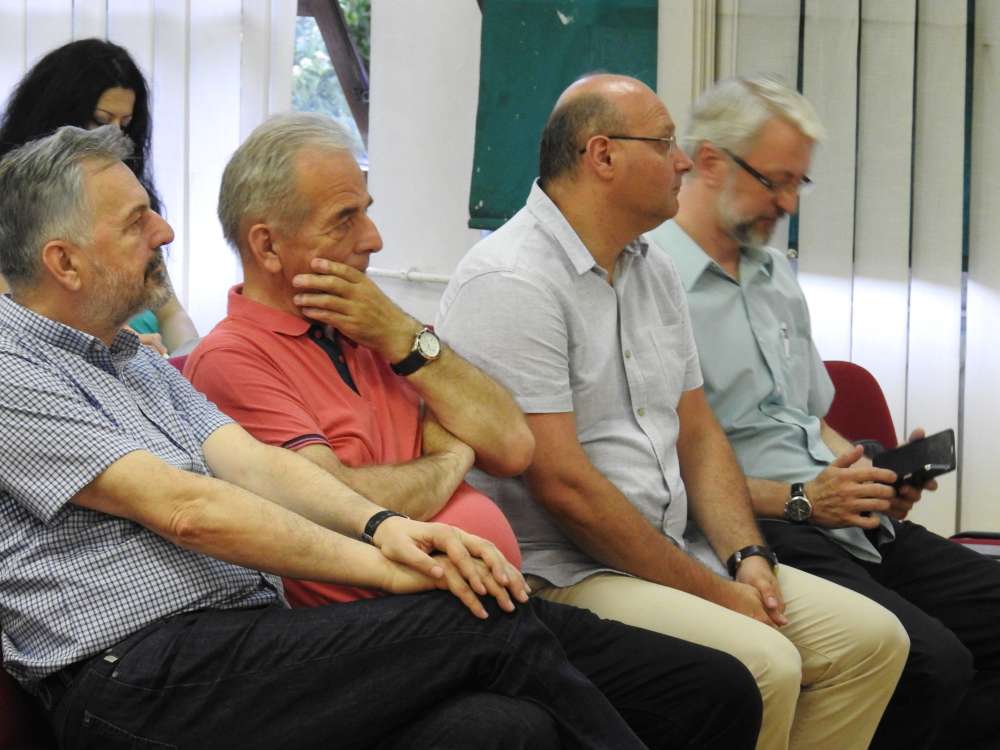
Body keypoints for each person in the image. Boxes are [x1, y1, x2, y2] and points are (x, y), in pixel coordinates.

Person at [0, 125, 764, 750]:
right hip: (135, 674)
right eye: (137, 221)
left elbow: (256, 466)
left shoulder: (131, 360)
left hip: (242, 638)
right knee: (471, 617)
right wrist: (396, 567)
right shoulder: (11, 366)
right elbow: (188, 509)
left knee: (508, 727)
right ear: (63, 261)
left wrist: (387, 528)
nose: (165, 231)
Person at [438, 73, 910, 750]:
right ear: (602, 155)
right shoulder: (511, 280)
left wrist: (746, 553)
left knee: (873, 643)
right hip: (566, 572)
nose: (684, 161)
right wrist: (716, 593)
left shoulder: (651, 266)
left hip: (674, 548)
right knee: (765, 663)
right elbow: (567, 489)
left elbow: (699, 433)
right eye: (664, 144)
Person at [648, 74, 1000, 750]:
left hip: (841, 521)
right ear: (710, 161)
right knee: (933, 663)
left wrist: (874, 476)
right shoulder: (651, 282)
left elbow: (808, 420)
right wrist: (806, 500)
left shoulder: (772, 273)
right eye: (775, 181)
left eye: (797, 184)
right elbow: (662, 467)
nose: (788, 203)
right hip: (755, 527)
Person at [0, 37, 197, 353]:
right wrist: (112, 342)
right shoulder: (14, 202)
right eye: (101, 121)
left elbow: (172, 312)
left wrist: (188, 352)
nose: (114, 135)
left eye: (126, 124)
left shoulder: (127, 193)